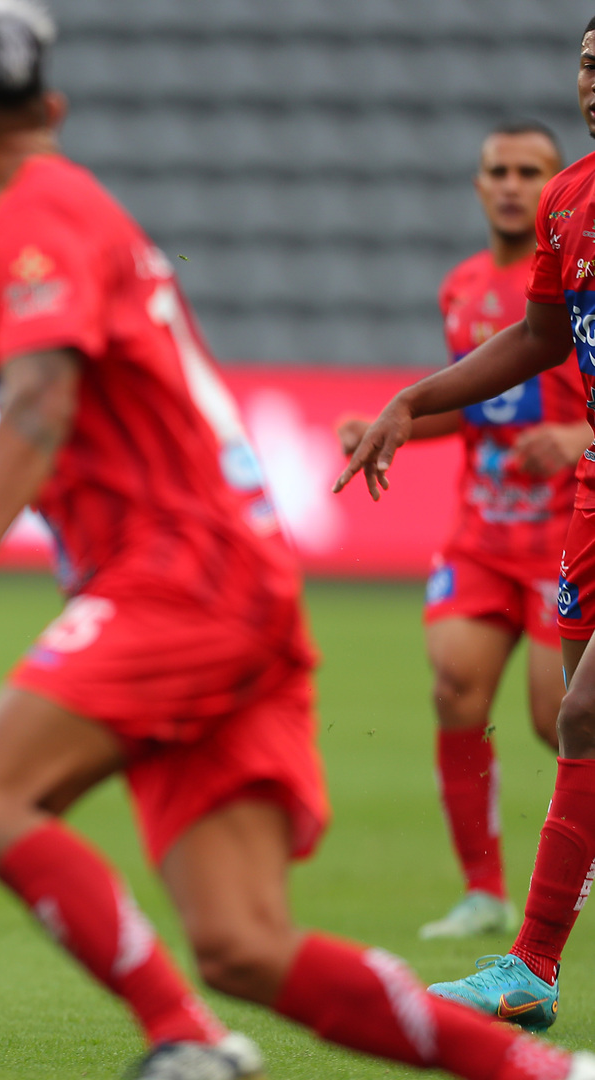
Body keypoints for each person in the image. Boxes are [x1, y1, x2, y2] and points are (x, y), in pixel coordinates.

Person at [0, 2, 595, 1077]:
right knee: (241, 944)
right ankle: (546, 1071)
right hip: (238, 578)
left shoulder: (36, 217)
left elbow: (39, 395)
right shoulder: (82, 207)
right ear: (55, 109)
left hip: (180, 576)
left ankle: (193, 1036)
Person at [340, 16, 595, 1034]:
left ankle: (531, 964)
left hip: (567, 499)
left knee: (574, 715)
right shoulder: (570, 202)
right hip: (576, 510)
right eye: (588, 61)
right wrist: (413, 401)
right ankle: (504, 918)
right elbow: (538, 338)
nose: (594, 78)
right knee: (561, 716)